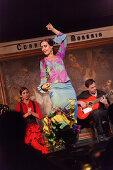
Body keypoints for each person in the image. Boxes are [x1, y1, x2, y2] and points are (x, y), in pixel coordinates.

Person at [37, 23, 79, 148]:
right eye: (41, 47)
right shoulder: (43, 62)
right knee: (60, 116)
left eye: (45, 46)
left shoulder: (60, 56)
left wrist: (52, 29)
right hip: (55, 90)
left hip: (68, 87)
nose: (43, 48)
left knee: (72, 114)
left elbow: (64, 38)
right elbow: (43, 78)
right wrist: (43, 86)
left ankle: (72, 142)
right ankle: (62, 142)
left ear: (51, 46)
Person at [16, 87, 48, 154]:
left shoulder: (34, 103)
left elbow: (39, 117)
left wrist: (32, 113)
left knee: (37, 146)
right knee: (29, 148)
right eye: (24, 93)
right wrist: (27, 114)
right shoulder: (19, 105)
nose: (26, 94)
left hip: (34, 128)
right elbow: (18, 119)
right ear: (21, 95)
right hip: (26, 128)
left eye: (27, 92)